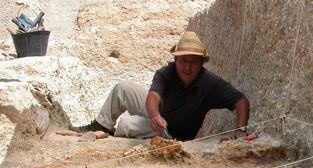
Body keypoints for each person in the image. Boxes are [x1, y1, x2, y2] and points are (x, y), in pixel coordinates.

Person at [70, 31, 250, 141]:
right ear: (176, 60)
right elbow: (153, 97)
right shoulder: (166, 73)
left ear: (201, 63)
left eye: (193, 62)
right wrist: (155, 115)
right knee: (122, 88)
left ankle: (117, 133)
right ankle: (101, 126)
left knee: (126, 124)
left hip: (172, 133)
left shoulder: (210, 83)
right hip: (159, 116)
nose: (187, 67)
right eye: (183, 61)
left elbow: (241, 100)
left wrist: (240, 129)